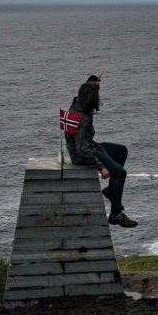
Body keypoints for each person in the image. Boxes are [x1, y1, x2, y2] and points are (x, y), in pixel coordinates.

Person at [64, 72, 138, 228]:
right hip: (83, 153)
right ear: (92, 99)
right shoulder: (82, 119)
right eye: (97, 96)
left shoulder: (78, 103)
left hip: (90, 145)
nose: (99, 99)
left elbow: (84, 90)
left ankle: (112, 191)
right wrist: (101, 167)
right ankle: (116, 214)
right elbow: (82, 150)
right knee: (120, 173)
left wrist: (93, 80)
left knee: (121, 151)